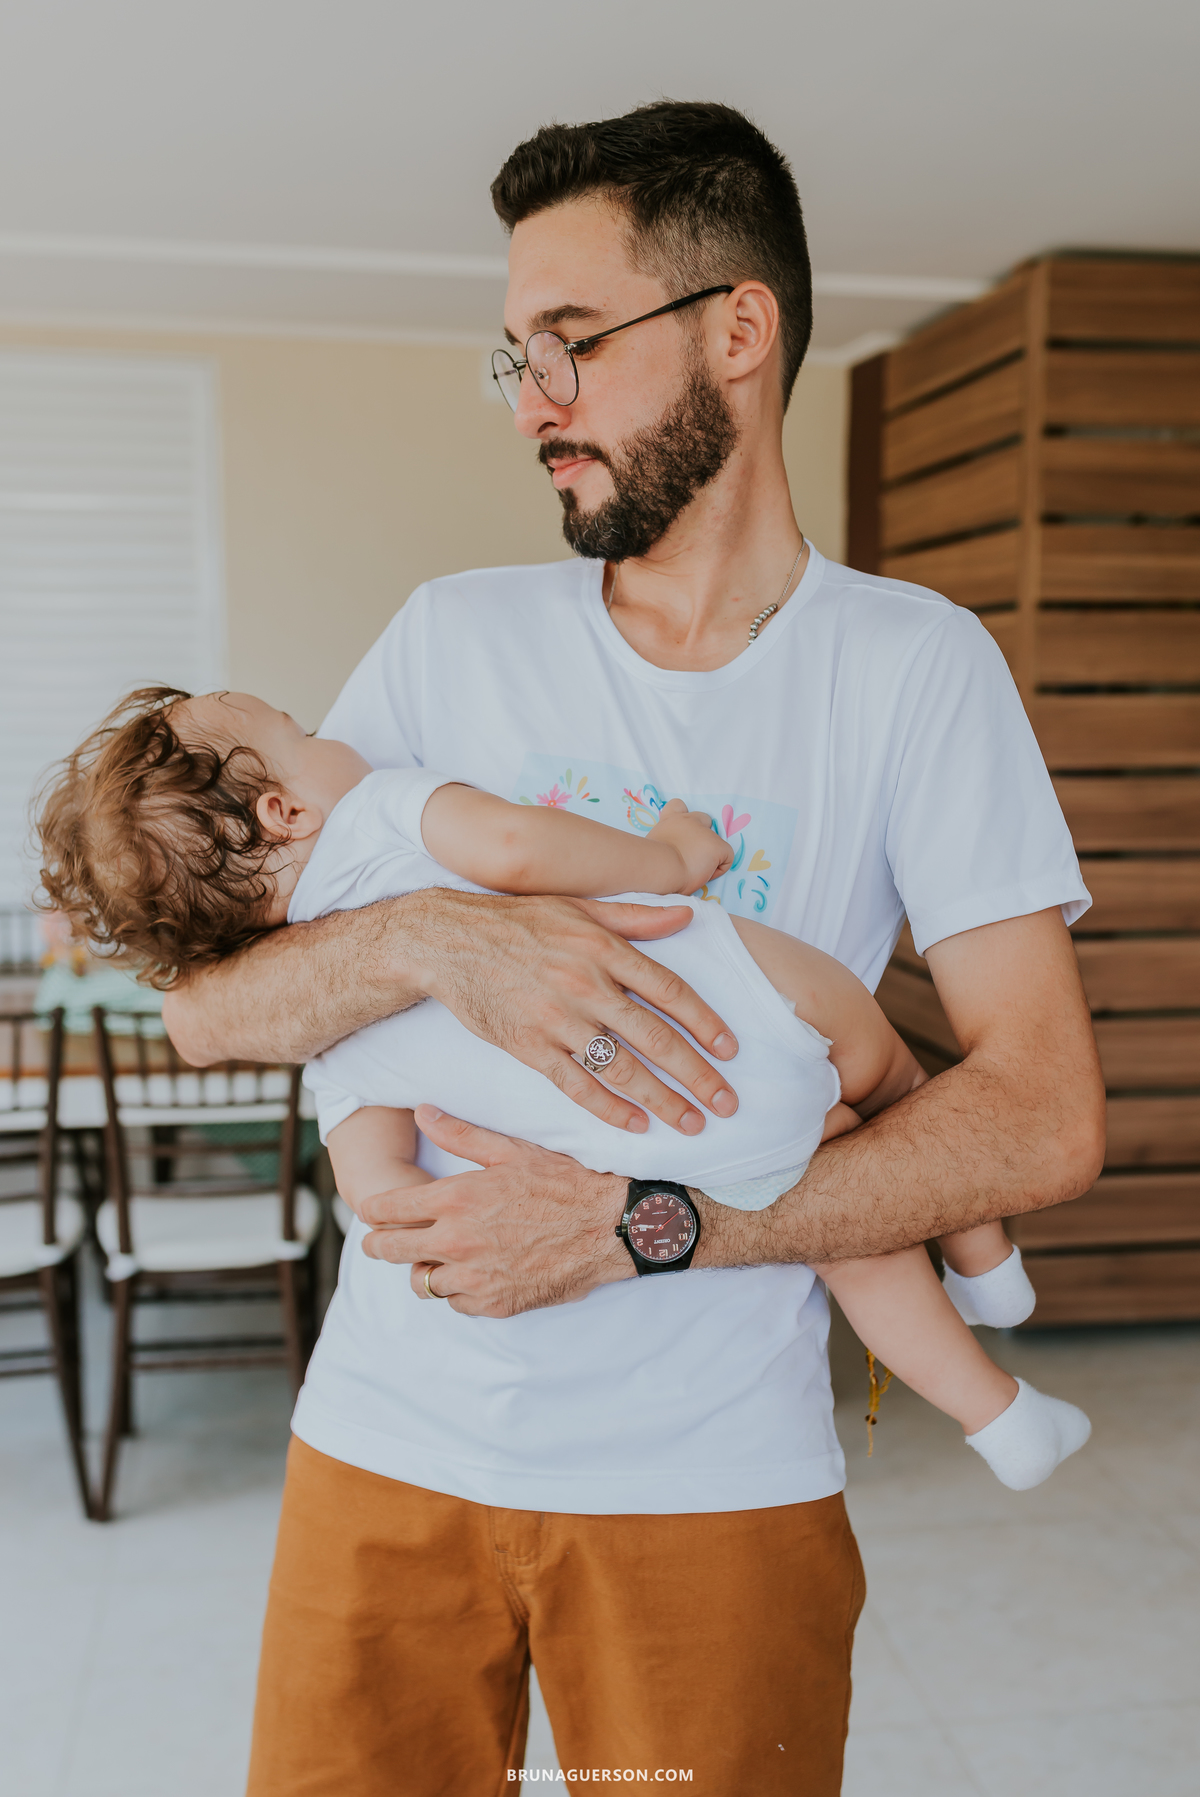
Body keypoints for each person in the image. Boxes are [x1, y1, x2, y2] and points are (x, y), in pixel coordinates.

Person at [145, 102, 1103, 1797]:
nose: (533, 403)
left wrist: (646, 1228)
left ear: (740, 331)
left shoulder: (918, 668)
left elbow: (1037, 1115)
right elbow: (212, 1008)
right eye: (512, 357)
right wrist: (451, 940)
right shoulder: (452, 636)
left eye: (571, 344)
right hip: (382, 1447)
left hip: (714, 1488)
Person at [37, 683, 1092, 1497]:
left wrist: (487, 1212)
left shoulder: (334, 1029)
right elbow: (512, 844)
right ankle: (987, 1262)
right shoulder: (381, 814)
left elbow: (374, 1183)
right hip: (740, 1016)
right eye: (301, 724)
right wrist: (670, 854)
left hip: (644, 1148)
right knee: (894, 1084)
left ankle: (996, 1417)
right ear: (285, 807)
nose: (335, 731)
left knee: (838, 1226)